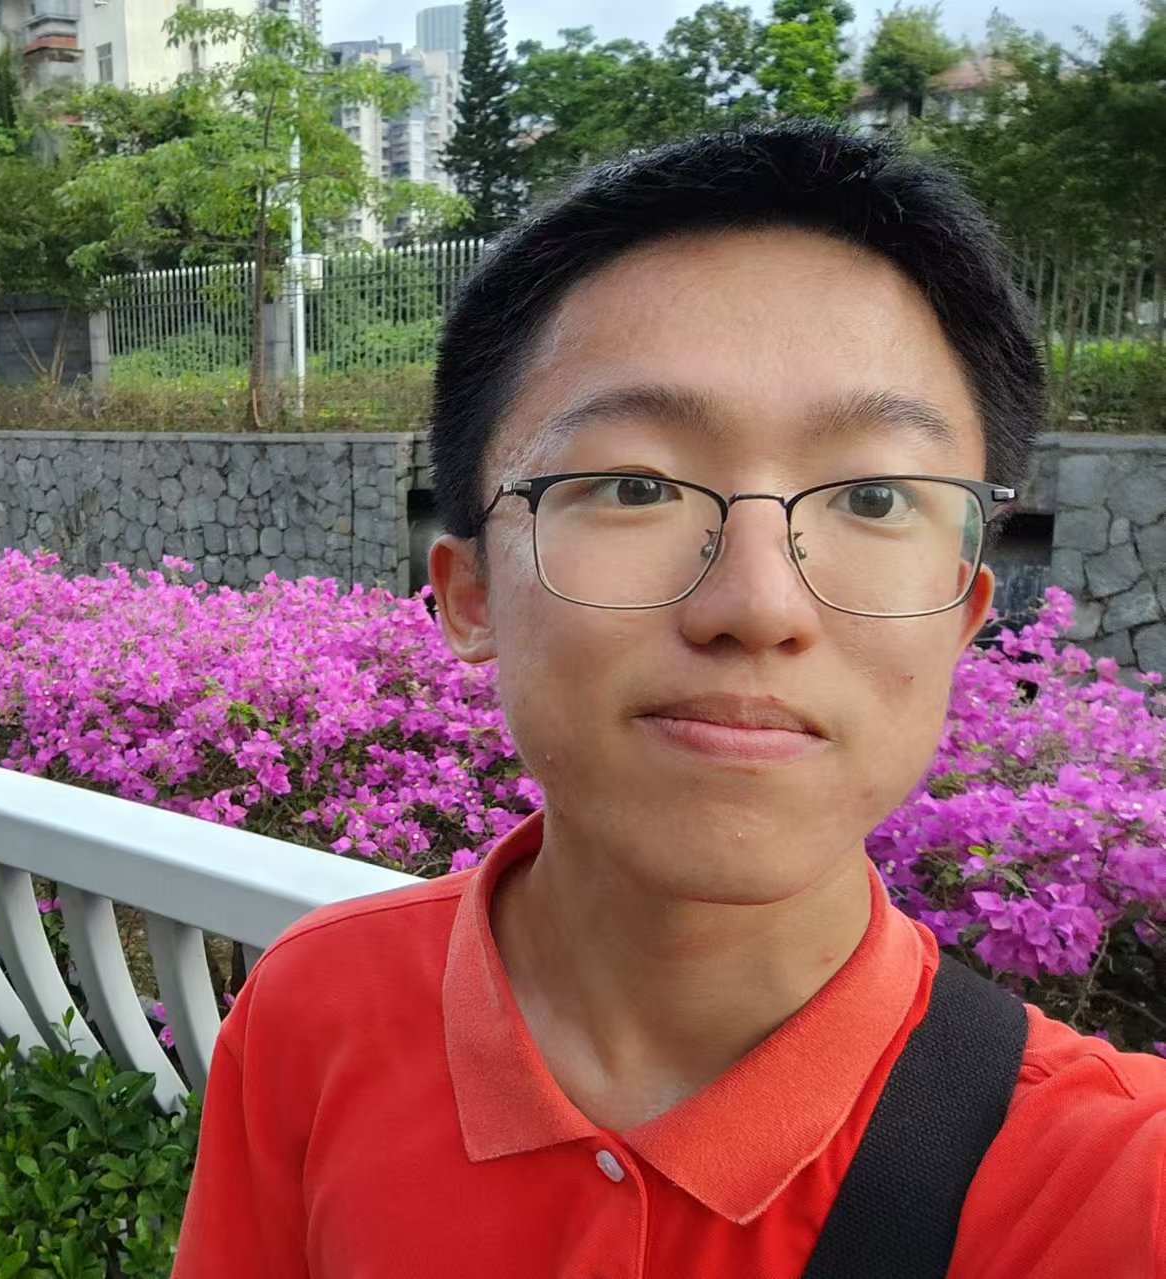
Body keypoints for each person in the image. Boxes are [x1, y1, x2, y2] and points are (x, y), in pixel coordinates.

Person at [171, 123, 1166, 1278]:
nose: (757, 603)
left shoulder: (1113, 1186)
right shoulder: (312, 1010)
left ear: (961, 609)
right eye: (635, 484)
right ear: (468, 593)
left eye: (874, 496)